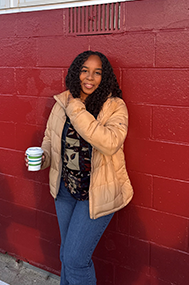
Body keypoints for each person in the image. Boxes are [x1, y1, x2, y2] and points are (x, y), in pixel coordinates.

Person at [28, 51, 133, 285]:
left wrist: (75, 108)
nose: (90, 77)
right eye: (85, 70)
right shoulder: (61, 102)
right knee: (66, 255)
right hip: (65, 192)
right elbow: (50, 138)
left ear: (104, 78)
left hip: (97, 194)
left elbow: (110, 143)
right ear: (76, 72)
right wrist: (43, 157)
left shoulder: (114, 106)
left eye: (97, 72)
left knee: (76, 259)